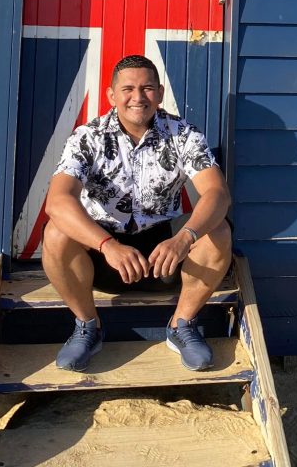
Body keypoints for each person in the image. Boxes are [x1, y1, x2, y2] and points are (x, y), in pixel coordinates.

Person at [42, 54, 233, 373]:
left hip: (165, 257)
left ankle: (182, 325)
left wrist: (185, 238)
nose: (138, 97)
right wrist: (107, 245)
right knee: (56, 232)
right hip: (105, 257)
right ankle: (88, 326)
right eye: (128, 89)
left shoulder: (184, 134)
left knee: (219, 231)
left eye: (147, 88)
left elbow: (217, 192)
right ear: (111, 95)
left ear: (159, 93)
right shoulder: (87, 137)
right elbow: (58, 201)